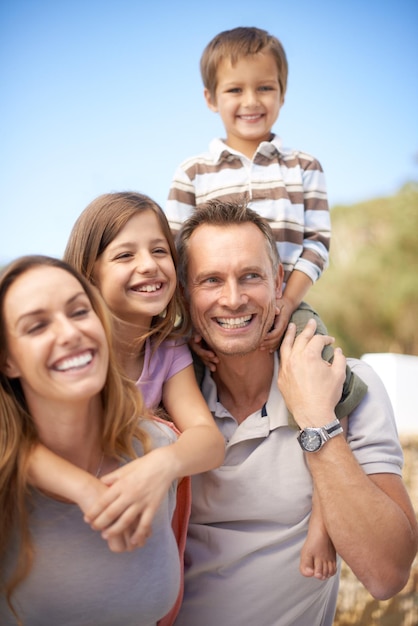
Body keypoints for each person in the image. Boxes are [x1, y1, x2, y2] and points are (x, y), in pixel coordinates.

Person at [165, 26, 368, 577]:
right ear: (211, 98)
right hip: (212, 312)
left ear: (282, 93)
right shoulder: (193, 173)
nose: (251, 102)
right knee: (168, 378)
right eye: (235, 90)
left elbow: (317, 244)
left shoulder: (304, 167)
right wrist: (192, 329)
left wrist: (286, 300)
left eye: (265, 88)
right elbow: (178, 255)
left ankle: (323, 518)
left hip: (285, 300)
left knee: (331, 386)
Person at [172, 200, 418, 626]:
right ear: (184, 292)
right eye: (211, 280)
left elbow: (386, 574)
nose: (233, 299)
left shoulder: (346, 384)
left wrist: (316, 419)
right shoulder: (166, 404)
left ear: (279, 281)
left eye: (251, 276)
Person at [0, 255, 183, 625]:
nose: (69, 333)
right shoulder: (8, 481)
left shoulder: (156, 448)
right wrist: (85, 489)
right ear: (8, 361)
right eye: (36, 327)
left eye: (80, 312)